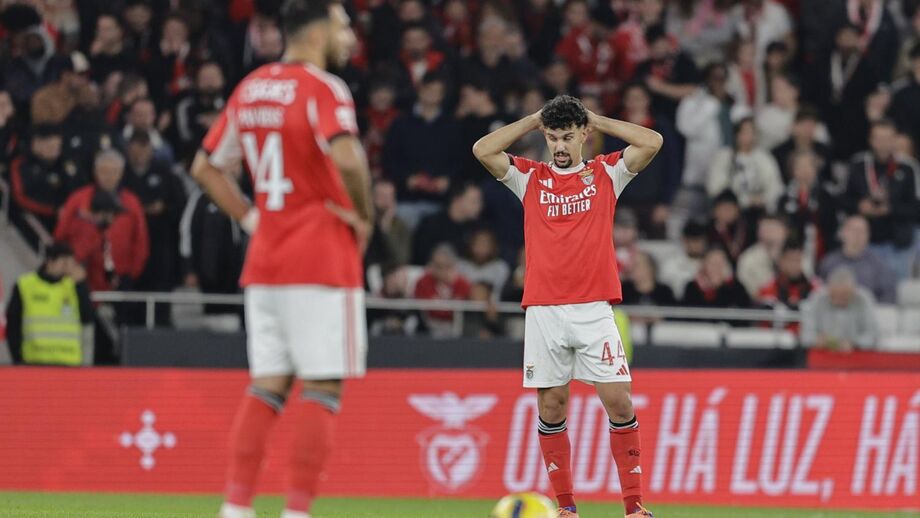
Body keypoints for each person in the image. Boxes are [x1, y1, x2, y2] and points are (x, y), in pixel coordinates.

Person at [188, 2, 372, 518]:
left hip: (265, 259)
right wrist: (364, 214)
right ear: (317, 31)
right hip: (319, 254)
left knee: (267, 384)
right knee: (322, 384)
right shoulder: (323, 88)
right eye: (342, 24)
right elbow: (346, 156)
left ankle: (237, 507)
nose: (349, 34)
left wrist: (251, 220)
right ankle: (296, 511)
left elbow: (206, 167)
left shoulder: (250, 88)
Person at [473, 94, 663, 517]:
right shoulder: (530, 177)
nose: (560, 146)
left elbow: (652, 141)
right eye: (553, 137)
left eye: (568, 137)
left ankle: (634, 507)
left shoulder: (606, 173)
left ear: (584, 136)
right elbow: (483, 150)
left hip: (594, 309)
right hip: (544, 310)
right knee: (552, 405)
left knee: (620, 402)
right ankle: (566, 508)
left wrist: (596, 118)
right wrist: (533, 119)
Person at [53, 149, 149, 295]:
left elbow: (141, 241)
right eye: (104, 171)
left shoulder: (132, 203)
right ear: (95, 172)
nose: (109, 177)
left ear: (121, 173)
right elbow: (60, 234)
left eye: (114, 172)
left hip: (120, 276)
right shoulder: (78, 199)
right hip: (80, 274)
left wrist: (131, 273)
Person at [842, 120, 918, 279]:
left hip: (896, 243)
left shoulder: (907, 167)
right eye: (879, 138)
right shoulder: (858, 164)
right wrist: (859, 206)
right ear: (871, 140)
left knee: (894, 292)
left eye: (888, 138)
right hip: (863, 244)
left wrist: (891, 209)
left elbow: (916, 208)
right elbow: (843, 200)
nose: (883, 143)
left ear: (895, 140)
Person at [4, 242, 94, 366]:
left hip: (69, 364)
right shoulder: (25, 285)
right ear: (50, 262)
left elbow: (87, 317)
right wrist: (18, 360)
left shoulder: (74, 286)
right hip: (34, 363)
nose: (68, 269)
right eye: (64, 263)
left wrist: (81, 286)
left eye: (71, 264)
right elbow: (13, 325)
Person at [706, 117, 783, 215]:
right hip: (732, 210)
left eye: (752, 132)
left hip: (759, 210)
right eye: (744, 131)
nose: (748, 136)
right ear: (736, 134)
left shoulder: (765, 158)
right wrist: (744, 200)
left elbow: (776, 187)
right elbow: (715, 188)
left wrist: (762, 199)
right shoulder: (724, 156)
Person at [818, 215, 897, 304]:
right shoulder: (829, 262)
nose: (857, 235)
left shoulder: (879, 264)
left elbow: (889, 295)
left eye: (862, 231)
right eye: (853, 230)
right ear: (843, 233)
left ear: (868, 235)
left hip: (868, 314)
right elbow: (820, 292)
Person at [801, 267, 880, 352]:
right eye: (835, 296)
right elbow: (805, 336)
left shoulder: (863, 299)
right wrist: (816, 340)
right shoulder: (817, 298)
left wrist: (854, 343)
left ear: (853, 290)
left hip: (856, 357)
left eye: (844, 296)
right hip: (822, 354)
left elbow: (873, 336)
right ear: (828, 289)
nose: (839, 300)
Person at [411, 183, 483, 265]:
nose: (480, 206)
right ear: (458, 200)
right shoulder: (431, 224)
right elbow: (421, 257)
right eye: (474, 201)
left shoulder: (476, 228)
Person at [413, 244, 472, 337]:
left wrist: (453, 284)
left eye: (446, 266)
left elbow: (460, 310)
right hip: (428, 327)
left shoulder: (462, 283)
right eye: (438, 266)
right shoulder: (423, 281)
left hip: (456, 328)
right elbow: (426, 310)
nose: (442, 271)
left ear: (453, 265)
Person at [682, 247, 752, 311]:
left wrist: (722, 287)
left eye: (720, 263)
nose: (717, 268)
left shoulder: (736, 288)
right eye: (713, 263)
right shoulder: (692, 287)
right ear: (704, 265)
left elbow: (744, 315)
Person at [736, 214, 789, 298]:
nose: (770, 232)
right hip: (759, 307)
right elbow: (745, 289)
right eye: (766, 228)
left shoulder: (796, 255)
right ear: (758, 232)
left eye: (774, 228)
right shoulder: (748, 258)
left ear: (785, 231)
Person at [659, 219, 708, 299]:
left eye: (701, 240)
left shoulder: (710, 264)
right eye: (694, 240)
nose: (698, 245)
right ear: (684, 240)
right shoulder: (671, 264)